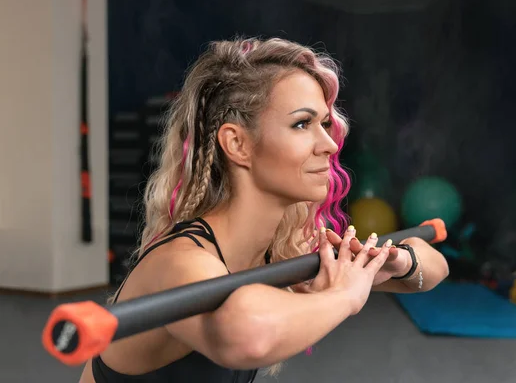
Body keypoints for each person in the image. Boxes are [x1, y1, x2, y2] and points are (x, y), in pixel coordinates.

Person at [79, 37, 449, 383]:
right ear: (237, 144)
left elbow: (434, 267)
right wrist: (344, 296)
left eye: (324, 124)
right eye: (302, 124)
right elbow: (247, 336)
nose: (329, 144)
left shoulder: (281, 251)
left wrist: (396, 263)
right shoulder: (179, 262)